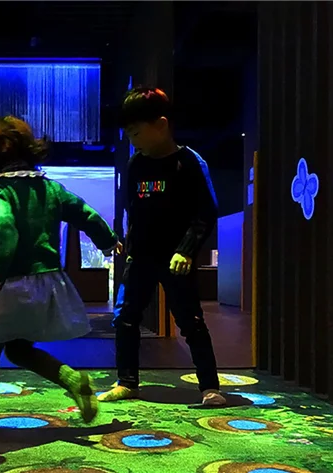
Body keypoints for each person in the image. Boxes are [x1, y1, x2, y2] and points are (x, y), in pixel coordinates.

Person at [0, 116, 123, 438]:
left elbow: (3, 227)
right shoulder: (50, 187)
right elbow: (84, 212)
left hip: (12, 283)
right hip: (48, 283)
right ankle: (73, 380)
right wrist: (108, 241)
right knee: (18, 349)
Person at [98, 88, 226, 406]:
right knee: (125, 318)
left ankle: (210, 387)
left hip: (176, 258)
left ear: (161, 125)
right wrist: (127, 244)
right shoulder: (135, 165)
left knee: (190, 321)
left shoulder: (189, 162)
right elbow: (131, 208)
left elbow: (206, 212)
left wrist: (186, 250)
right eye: (129, 134)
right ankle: (127, 382)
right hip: (140, 255)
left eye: (136, 133)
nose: (133, 141)